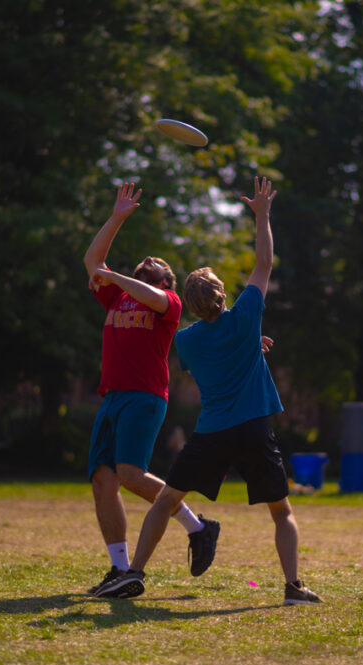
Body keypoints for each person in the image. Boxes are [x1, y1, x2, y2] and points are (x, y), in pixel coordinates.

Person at [98, 176, 322, 606]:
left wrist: (248, 346)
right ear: (223, 296)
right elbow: (264, 261)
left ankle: (135, 573)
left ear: (191, 304)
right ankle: (294, 587)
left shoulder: (185, 341)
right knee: (282, 512)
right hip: (254, 429)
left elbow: (212, 352)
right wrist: (262, 215)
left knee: (165, 502)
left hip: (213, 433)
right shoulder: (246, 317)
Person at [82, 182, 220, 596]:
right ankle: (120, 568)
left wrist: (113, 275)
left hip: (144, 397)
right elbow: (93, 260)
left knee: (129, 474)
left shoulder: (169, 303)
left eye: (154, 264)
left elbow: (141, 290)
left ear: (166, 280)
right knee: (103, 481)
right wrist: (117, 217)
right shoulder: (117, 300)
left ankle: (197, 526)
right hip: (112, 397)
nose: (148, 262)